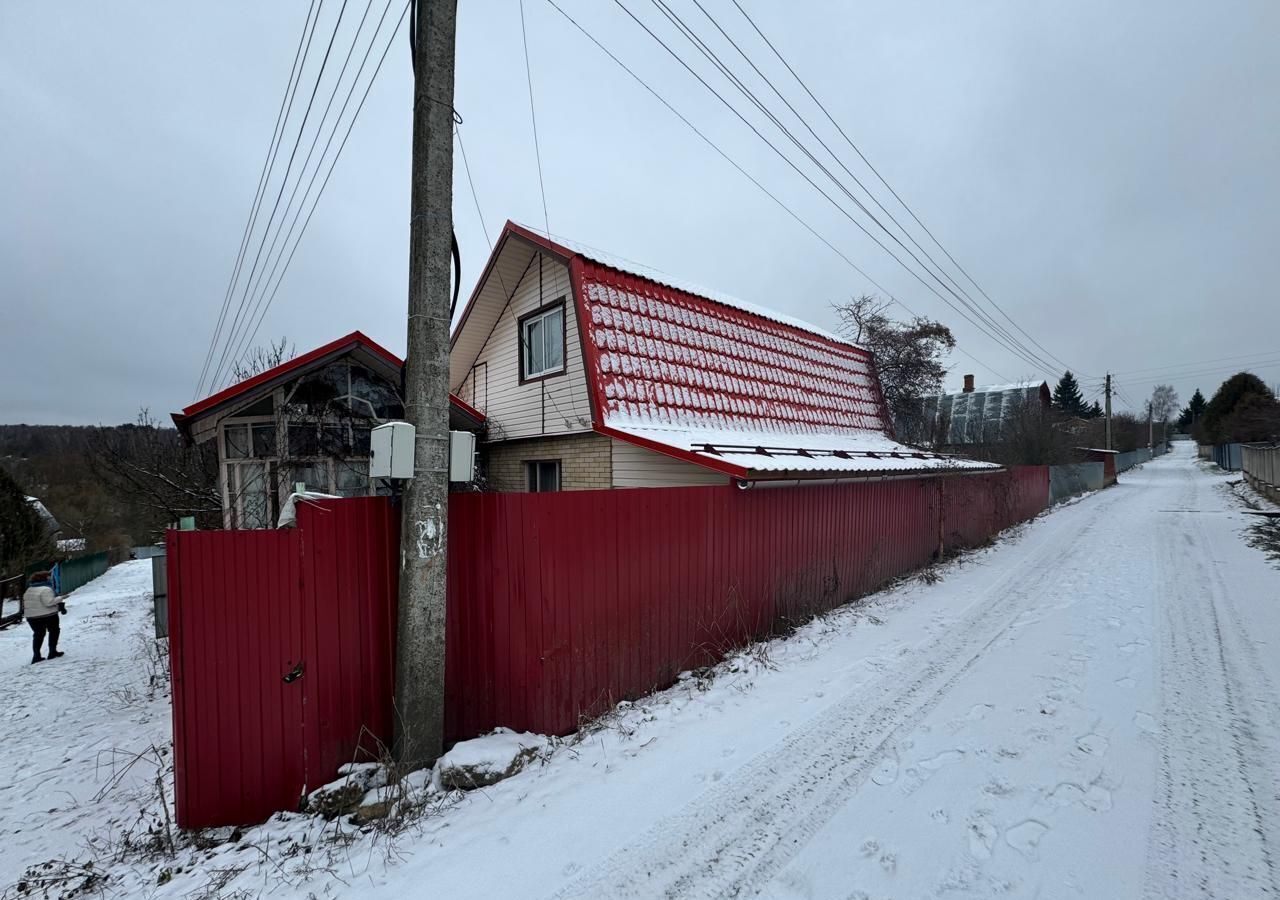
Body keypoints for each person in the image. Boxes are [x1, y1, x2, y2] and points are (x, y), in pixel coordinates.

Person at [23, 571, 64, 664]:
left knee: (38, 634)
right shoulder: (46, 589)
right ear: (45, 578)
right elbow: (49, 602)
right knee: (54, 631)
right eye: (49, 577)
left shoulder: (29, 589)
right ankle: (52, 652)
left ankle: (36, 656)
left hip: (31, 617)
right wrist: (60, 598)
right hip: (48, 615)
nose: (50, 578)